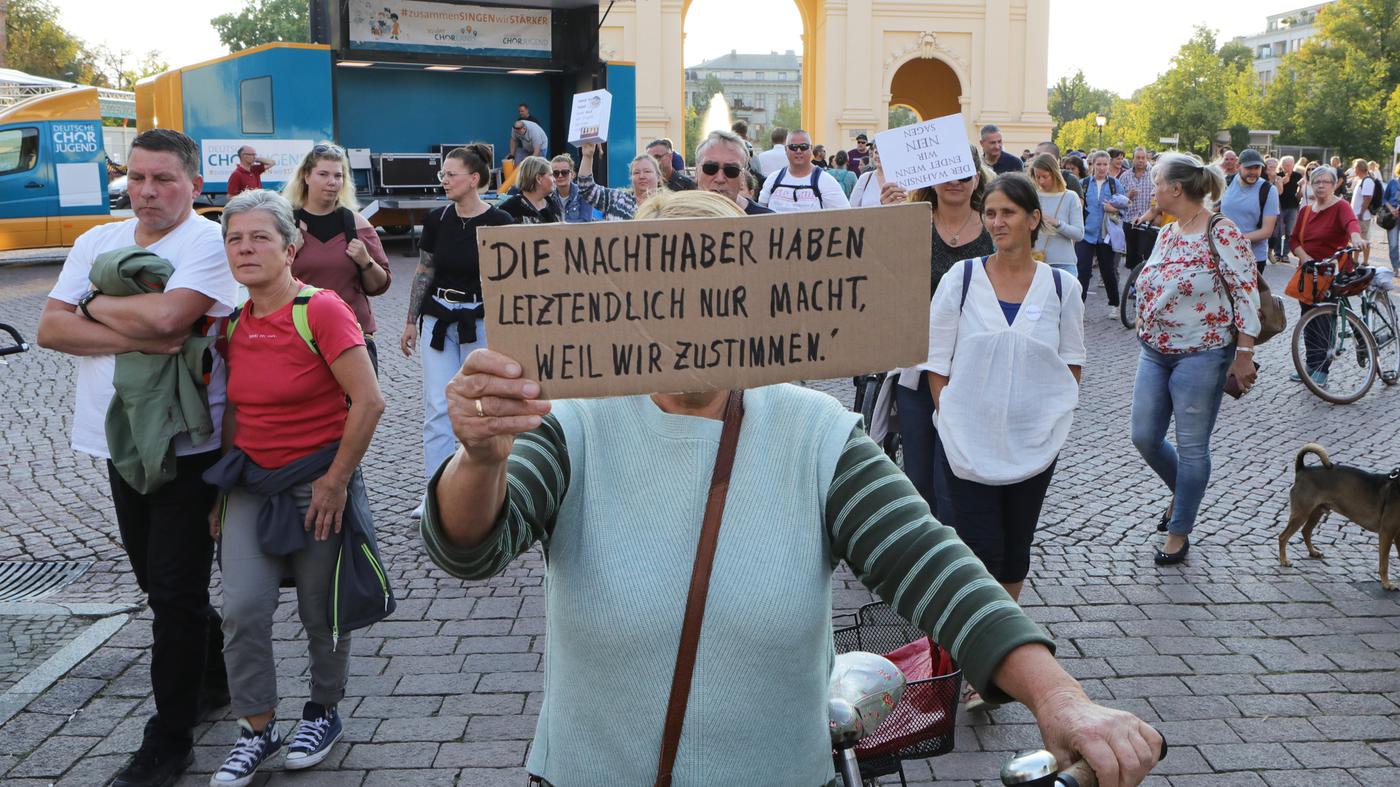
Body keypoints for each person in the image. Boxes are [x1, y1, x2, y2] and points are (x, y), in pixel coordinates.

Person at [419, 187, 1163, 787]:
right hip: (587, 771)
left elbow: (932, 563)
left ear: (751, 299)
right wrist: (482, 458)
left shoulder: (815, 431)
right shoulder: (570, 420)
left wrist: (1061, 697)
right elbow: (472, 547)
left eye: (714, 286)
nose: (688, 311)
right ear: (622, 300)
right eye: (662, 288)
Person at [37, 129, 237, 787]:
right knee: (162, 584)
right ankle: (209, 679)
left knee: (174, 593)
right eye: (139, 178)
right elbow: (49, 327)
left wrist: (93, 303)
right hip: (115, 438)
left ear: (194, 185)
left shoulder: (210, 242)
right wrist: (128, 317)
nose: (148, 192)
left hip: (186, 443)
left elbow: (171, 321)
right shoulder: (97, 241)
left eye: (164, 180)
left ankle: (167, 739)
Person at [206, 190, 385, 786]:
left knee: (320, 611)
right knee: (243, 609)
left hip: (317, 484)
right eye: (235, 239)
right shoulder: (234, 323)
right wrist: (221, 491)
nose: (246, 248)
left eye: (260, 237)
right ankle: (257, 729)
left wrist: (336, 483)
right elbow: (234, 414)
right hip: (251, 486)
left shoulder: (322, 310)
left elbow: (369, 400)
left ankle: (323, 711)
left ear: (290, 247)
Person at [921, 173, 1086, 708]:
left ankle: (998, 654)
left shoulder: (1062, 287)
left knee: (1015, 547)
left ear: (1034, 218)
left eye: (1008, 213)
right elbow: (936, 359)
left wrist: (1048, 422)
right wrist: (949, 415)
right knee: (976, 547)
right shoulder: (962, 279)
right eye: (989, 213)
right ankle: (972, 655)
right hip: (966, 441)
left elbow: (1072, 360)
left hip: (1033, 445)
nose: (997, 223)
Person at [1131, 153, 1260, 566]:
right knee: (1144, 437)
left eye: (1157, 182)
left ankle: (1179, 530)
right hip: (1154, 350)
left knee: (1191, 448)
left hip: (1202, 353)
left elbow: (1246, 293)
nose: (1153, 189)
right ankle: (1183, 492)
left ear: (1176, 188)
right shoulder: (1169, 232)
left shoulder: (1221, 231)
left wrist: (1244, 354)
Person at [878, 145, 995, 512]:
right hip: (920, 361)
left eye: (963, 173)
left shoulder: (994, 226)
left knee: (965, 465)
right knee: (919, 467)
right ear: (932, 177)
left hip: (975, 367)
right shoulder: (912, 219)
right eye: (947, 173)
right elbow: (882, 273)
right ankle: (927, 551)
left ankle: (962, 546)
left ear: (976, 177)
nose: (955, 182)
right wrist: (888, 218)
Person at [401, 144, 515, 504]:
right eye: (443, 174)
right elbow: (424, 269)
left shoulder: (500, 222)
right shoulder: (436, 219)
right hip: (437, 320)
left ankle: (481, 490)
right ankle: (435, 496)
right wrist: (409, 321)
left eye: (451, 174)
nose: (444, 180)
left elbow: (510, 280)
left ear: (474, 179)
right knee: (437, 406)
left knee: (482, 405)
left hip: (480, 322)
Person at [282, 144, 391, 372]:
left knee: (360, 404)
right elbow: (265, 278)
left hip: (351, 336)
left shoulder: (357, 225)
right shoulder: (284, 225)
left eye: (338, 175)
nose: (332, 182)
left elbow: (380, 285)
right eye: (323, 174)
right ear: (306, 176)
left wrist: (366, 261)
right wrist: (287, 253)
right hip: (298, 335)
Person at [1289, 166, 1368, 386]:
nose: (1321, 185)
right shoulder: (1305, 211)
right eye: (1317, 182)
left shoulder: (1341, 206)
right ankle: (1310, 366)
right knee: (1308, 321)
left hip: (1332, 272)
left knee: (1324, 321)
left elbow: (1351, 224)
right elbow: (1294, 240)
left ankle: (1321, 370)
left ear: (1335, 185)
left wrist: (1356, 238)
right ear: (1311, 185)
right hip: (1309, 273)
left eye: (1326, 182)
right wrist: (1304, 257)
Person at [1077, 151, 1124, 316]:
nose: (1102, 168)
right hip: (1085, 234)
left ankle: (1114, 304)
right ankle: (1079, 307)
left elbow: (1124, 205)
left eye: (1105, 164)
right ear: (1092, 165)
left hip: (1105, 234)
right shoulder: (1082, 184)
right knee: (1082, 270)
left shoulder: (1114, 184)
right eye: (1099, 164)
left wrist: (1114, 209)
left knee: (1107, 271)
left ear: (1109, 165)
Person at [1218, 148, 1280, 274]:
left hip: (1252, 257)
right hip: (1223, 254)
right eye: (1248, 168)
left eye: (1257, 168)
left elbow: (1267, 231)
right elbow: (1214, 211)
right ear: (1238, 166)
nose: (1253, 172)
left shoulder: (1268, 190)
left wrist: (1233, 240)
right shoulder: (1226, 182)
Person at [757, 129, 850, 212]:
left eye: (804, 146)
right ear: (786, 149)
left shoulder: (826, 181)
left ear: (811, 149)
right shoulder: (773, 179)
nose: (798, 151)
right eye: (793, 147)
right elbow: (760, 214)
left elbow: (845, 216)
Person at [576, 141, 667, 220]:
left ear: (658, 176)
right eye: (636, 172)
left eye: (647, 171)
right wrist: (587, 156)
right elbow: (586, 189)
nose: (641, 176)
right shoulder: (616, 198)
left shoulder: (668, 205)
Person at [1029, 153, 1084, 277]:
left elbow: (1079, 234)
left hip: (1064, 264)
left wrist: (1057, 223)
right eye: (1037, 177)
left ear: (1054, 173)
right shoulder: (1033, 196)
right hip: (1036, 263)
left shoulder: (1070, 196)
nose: (1041, 181)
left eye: (1045, 176)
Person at [694, 129, 772, 214]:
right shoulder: (679, 216)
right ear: (697, 172)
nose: (720, 179)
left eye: (731, 170)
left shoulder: (767, 221)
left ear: (743, 177)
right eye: (710, 168)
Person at [498, 156, 564, 224]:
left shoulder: (552, 204)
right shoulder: (510, 208)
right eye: (551, 175)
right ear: (538, 178)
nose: (554, 179)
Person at [550, 154, 596, 223]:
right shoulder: (548, 196)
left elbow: (586, 222)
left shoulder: (584, 193)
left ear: (573, 174)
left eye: (564, 172)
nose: (560, 176)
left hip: (579, 233)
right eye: (555, 173)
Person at [1349, 158, 1378, 265]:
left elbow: (1367, 198)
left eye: (1355, 167)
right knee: (1357, 239)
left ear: (1359, 168)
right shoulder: (1361, 180)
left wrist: (1361, 213)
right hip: (1357, 215)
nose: (1354, 169)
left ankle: (1365, 262)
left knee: (1364, 239)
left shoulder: (1368, 180)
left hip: (1362, 216)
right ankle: (1355, 260)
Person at [1277, 156, 1304, 260]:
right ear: (1282, 165)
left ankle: (1285, 254)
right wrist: (1281, 182)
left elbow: (1299, 192)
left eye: (1290, 165)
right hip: (1279, 206)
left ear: (1293, 165)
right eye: (1286, 165)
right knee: (1278, 231)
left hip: (1293, 206)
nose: (1288, 167)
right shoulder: (1278, 176)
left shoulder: (1298, 176)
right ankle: (1277, 253)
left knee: (1289, 231)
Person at [848, 141, 885, 207]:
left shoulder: (898, 178)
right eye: (876, 152)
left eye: (883, 152)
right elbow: (852, 207)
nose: (878, 156)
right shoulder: (865, 178)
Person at [1384, 163, 1400, 272]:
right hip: (1393, 217)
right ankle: (1395, 267)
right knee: (1393, 244)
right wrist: (1391, 209)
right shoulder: (1392, 182)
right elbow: (1384, 199)